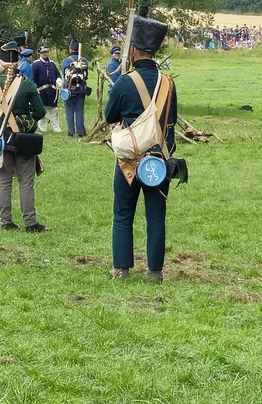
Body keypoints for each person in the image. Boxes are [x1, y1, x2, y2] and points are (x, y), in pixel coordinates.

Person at [105, 15, 177, 283]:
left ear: (134, 49)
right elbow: (171, 121)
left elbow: (110, 115)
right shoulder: (168, 83)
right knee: (156, 216)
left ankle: (121, 269)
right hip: (159, 158)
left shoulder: (125, 81)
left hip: (128, 160)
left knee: (123, 213)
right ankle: (155, 272)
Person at [0, 40, 49, 232]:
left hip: (1, 140)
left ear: (0, 62)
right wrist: (23, 118)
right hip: (23, 139)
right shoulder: (26, 86)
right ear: (17, 63)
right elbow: (40, 112)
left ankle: (6, 222)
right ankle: (30, 223)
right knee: (26, 182)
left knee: (3, 180)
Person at [61, 39, 90, 137]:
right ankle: (80, 132)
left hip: (69, 88)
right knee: (79, 110)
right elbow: (86, 75)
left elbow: (63, 73)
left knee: (69, 110)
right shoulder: (84, 60)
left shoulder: (66, 61)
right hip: (81, 88)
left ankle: (71, 131)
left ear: (70, 50)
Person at [32, 45, 63, 133]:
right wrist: (35, 88)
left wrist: (59, 79)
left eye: (46, 52)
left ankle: (56, 128)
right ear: (40, 54)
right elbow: (33, 78)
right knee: (42, 110)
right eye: (43, 52)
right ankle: (43, 128)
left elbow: (57, 74)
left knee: (53, 110)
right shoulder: (36, 64)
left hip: (52, 90)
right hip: (41, 90)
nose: (45, 54)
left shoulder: (52, 63)